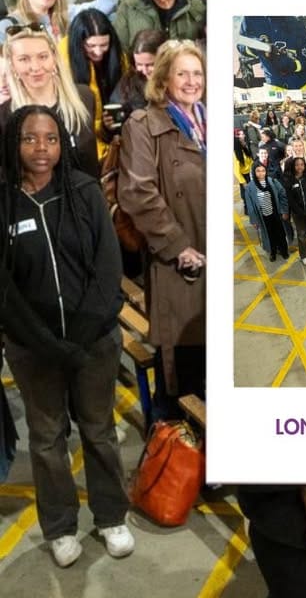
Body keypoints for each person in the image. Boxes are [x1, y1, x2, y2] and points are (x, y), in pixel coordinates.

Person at [0, 104, 133, 567]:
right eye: (30, 138)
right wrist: (46, 343)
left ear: (62, 143)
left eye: (51, 138)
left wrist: (77, 338)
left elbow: (108, 267)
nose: (42, 148)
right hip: (33, 349)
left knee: (99, 430)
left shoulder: (83, 190)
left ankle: (111, 516)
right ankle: (59, 527)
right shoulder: (4, 202)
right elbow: (5, 291)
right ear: (13, 143)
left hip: (93, 341)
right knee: (47, 438)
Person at [118, 40, 207, 419]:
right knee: (181, 374)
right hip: (179, 264)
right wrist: (178, 246)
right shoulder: (143, 125)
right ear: (163, 79)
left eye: (197, 73)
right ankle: (173, 445)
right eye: (181, 73)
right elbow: (137, 192)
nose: (191, 81)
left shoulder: (209, 120)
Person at [1, 23, 98, 176]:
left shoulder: (84, 97)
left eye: (43, 57)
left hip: (88, 190)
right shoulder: (5, 117)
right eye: (24, 59)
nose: (35, 67)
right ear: (12, 65)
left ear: (54, 58)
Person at [59, 9, 127, 162]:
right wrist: (101, 127)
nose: (98, 52)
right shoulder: (63, 58)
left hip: (114, 134)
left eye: (104, 45)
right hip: (81, 137)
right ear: (78, 42)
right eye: (91, 45)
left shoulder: (118, 56)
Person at [245, 159, 291, 262]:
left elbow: (282, 194)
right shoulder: (250, 187)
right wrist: (254, 220)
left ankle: (284, 250)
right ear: (254, 172)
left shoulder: (272, 181)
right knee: (269, 235)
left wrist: (284, 210)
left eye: (263, 170)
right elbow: (250, 206)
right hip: (263, 217)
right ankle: (273, 252)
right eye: (258, 171)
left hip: (275, 214)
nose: (261, 173)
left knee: (280, 233)